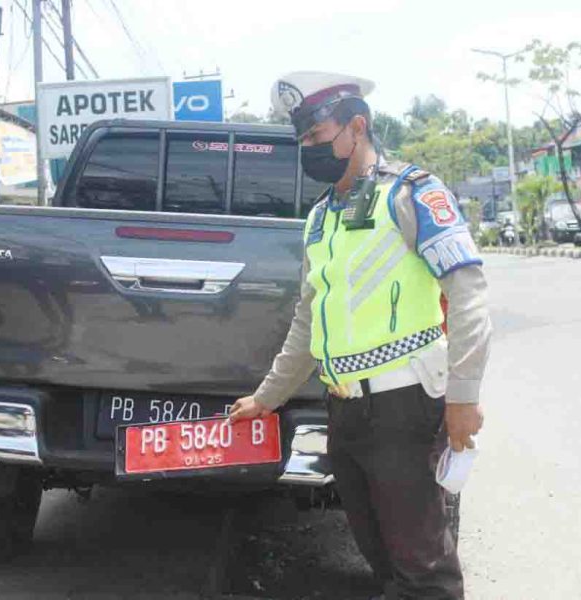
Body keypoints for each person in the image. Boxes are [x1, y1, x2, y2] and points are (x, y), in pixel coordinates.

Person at [229, 72, 492, 599]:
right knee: (381, 558)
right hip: (345, 408)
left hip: (406, 404)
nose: (309, 149)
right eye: (301, 139)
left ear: (357, 125)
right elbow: (308, 321)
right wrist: (267, 397)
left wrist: (463, 397)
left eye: (317, 135)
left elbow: (468, 293)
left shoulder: (412, 194)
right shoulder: (321, 218)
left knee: (423, 568)